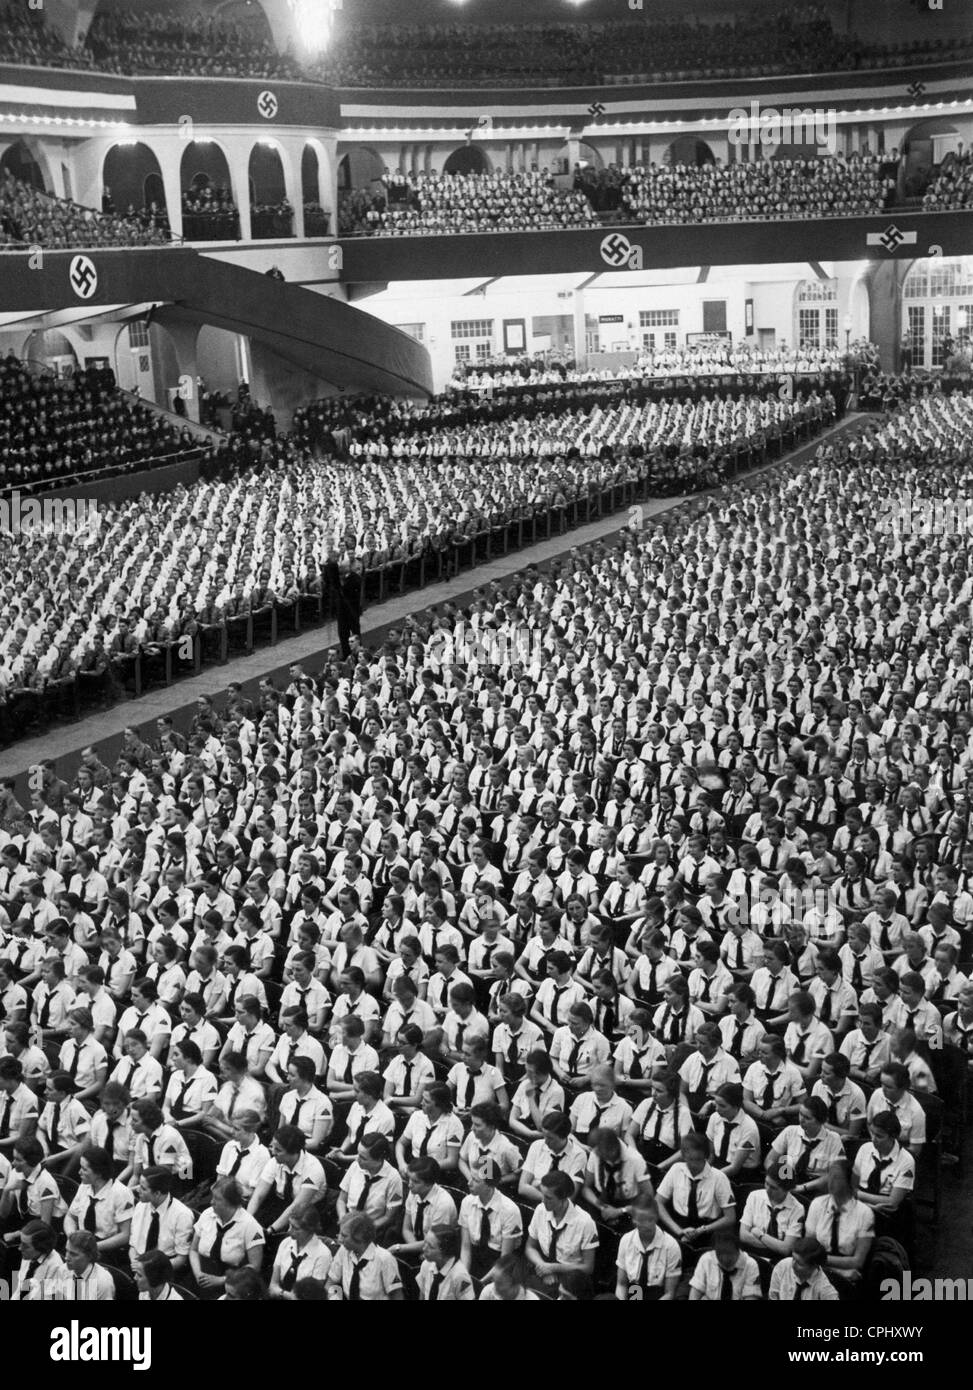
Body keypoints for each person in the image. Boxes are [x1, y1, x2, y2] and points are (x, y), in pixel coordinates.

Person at [189, 1177, 265, 1299]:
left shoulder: (250, 1225)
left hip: (231, 1288)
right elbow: (193, 1250)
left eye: (217, 1199)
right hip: (200, 1280)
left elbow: (254, 1266)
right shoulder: (207, 1214)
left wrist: (222, 1280)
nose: (211, 1202)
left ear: (230, 1202)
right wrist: (198, 1273)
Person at [327, 1212, 403, 1300]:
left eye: (344, 1236)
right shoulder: (344, 1251)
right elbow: (330, 1283)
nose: (340, 1240)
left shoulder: (385, 1259)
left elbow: (397, 1297)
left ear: (359, 1237)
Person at [268, 1206, 332, 1298]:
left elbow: (313, 1295)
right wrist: (286, 1295)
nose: (289, 1231)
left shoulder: (323, 1254)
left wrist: (281, 1293)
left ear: (310, 1229)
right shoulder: (286, 1243)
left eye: (295, 1228)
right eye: (290, 1225)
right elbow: (273, 1286)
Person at [689, 1229, 762, 1301]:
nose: (725, 1259)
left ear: (738, 1250)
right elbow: (696, 1291)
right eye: (720, 1254)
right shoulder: (706, 1259)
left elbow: (751, 1297)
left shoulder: (750, 1265)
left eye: (729, 1254)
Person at [768, 1235, 840, 1300]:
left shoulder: (825, 1290)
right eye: (793, 1258)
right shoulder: (784, 1266)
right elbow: (773, 1296)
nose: (792, 1264)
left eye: (799, 1263)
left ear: (813, 1266)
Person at [417, 1224, 475, 1300]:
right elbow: (422, 1295)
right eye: (425, 1243)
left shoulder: (459, 1276)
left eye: (430, 1247)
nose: (424, 1249)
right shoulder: (426, 1265)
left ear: (443, 1252)